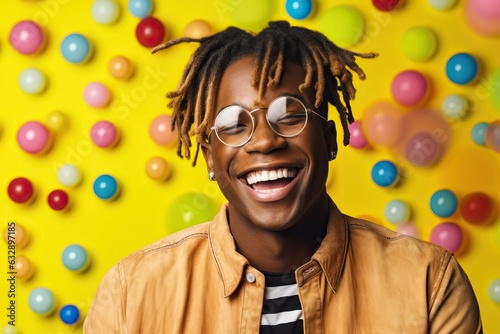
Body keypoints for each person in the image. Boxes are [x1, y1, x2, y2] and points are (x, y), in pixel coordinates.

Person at [84, 21, 482, 333]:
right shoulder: (131, 293)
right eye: (233, 125)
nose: (263, 141)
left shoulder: (428, 283)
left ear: (329, 140)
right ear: (209, 156)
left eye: (289, 116)